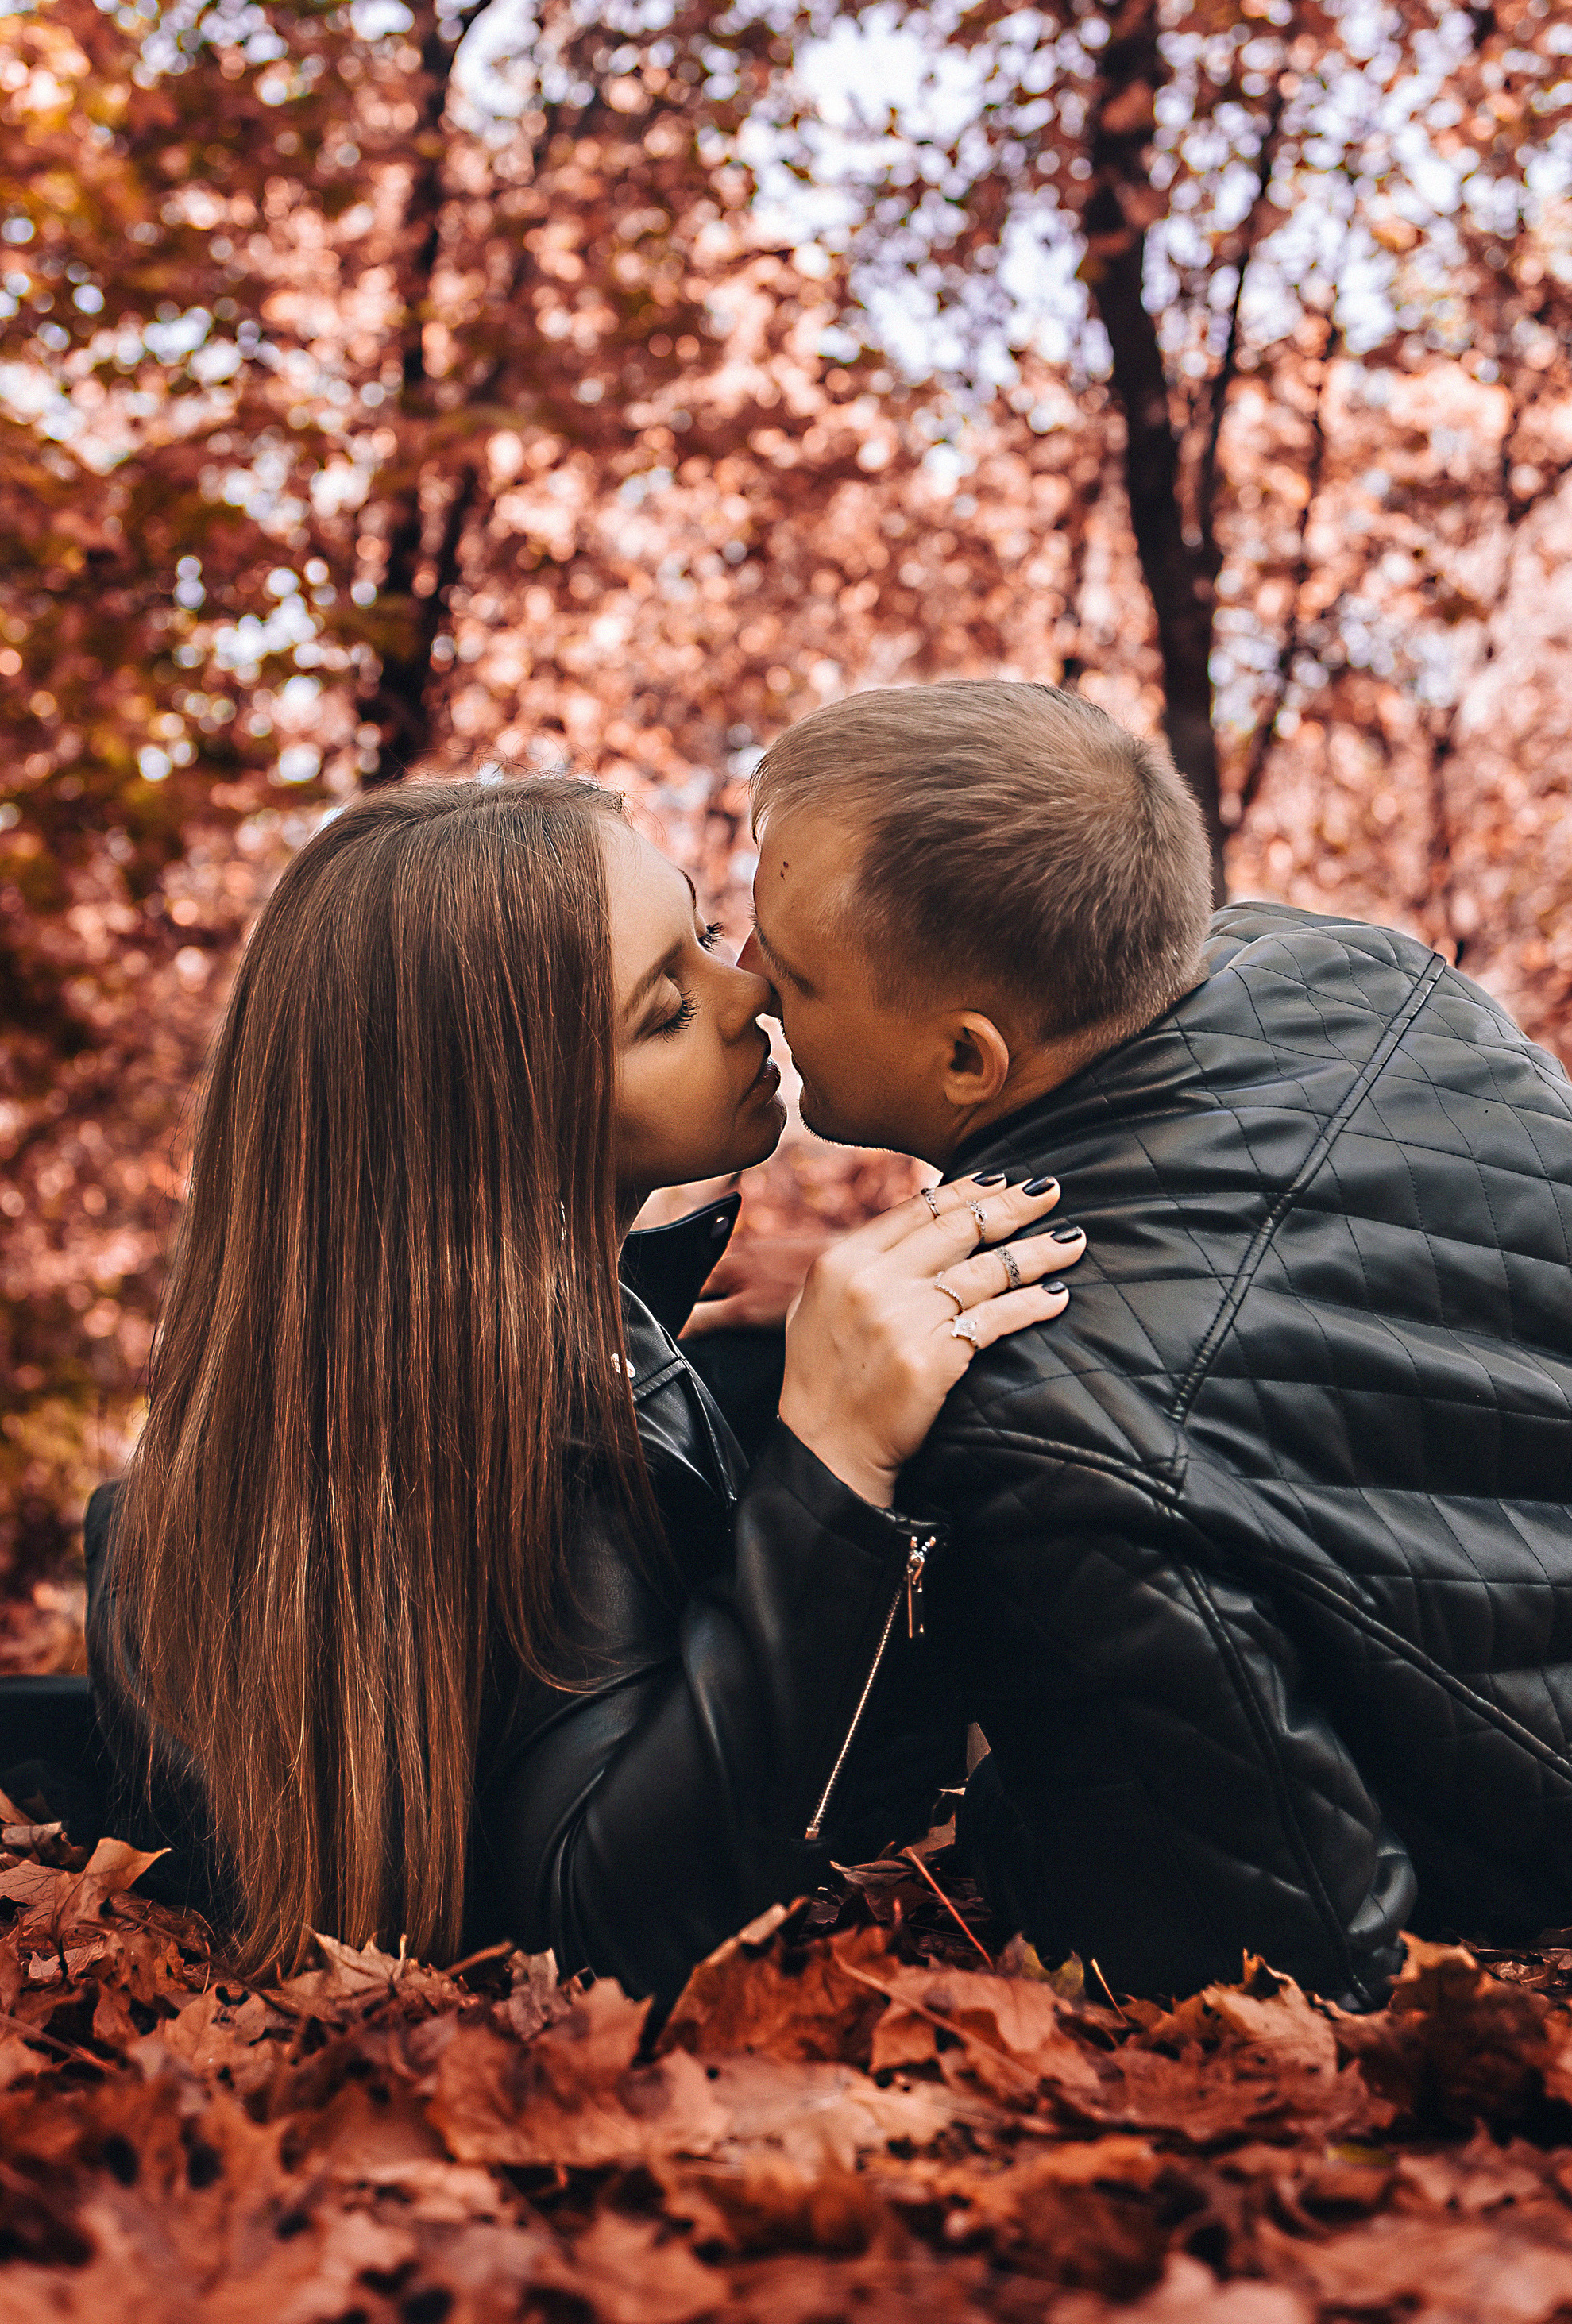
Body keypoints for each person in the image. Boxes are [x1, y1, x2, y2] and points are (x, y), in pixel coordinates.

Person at [740, 678, 1572, 2009]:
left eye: (792, 973)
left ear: (969, 1061)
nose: (745, 984)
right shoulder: (1362, 973)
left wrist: (997, 1776)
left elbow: (1268, 1958)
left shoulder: (1034, 1418)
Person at [84, 776, 1080, 1992]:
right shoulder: (529, 1430)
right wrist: (828, 1458)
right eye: (667, 1007)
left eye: (706, 934)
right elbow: (604, 1931)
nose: (751, 990)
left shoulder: (388, 1384)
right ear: (503, 1122)